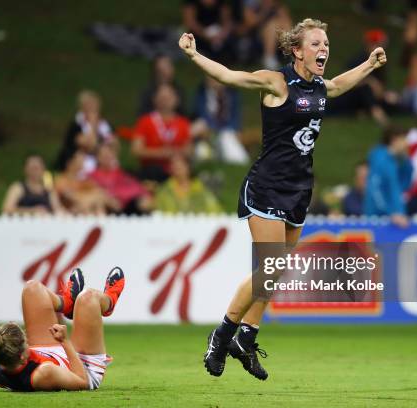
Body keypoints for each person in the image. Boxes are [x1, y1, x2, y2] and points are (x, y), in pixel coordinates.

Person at [179, 17, 388, 380]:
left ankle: (247, 337)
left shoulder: (321, 86)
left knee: (275, 275)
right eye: (316, 44)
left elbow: (339, 86)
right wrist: (195, 55)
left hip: (298, 190)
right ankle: (222, 335)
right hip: (267, 186)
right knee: (271, 268)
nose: (323, 49)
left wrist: (369, 64)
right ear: (297, 50)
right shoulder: (277, 82)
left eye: (325, 43)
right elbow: (231, 77)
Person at [0, 267, 126, 391]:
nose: (28, 341)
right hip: (80, 367)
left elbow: (7, 363)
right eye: (25, 342)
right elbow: (82, 381)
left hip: (47, 356)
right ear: (22, 357)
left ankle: (67, 303)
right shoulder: (44, 373)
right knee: (87, 298)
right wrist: (64, 341)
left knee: (31, 288)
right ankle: (109, 301)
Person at [132, 84, 192, 182]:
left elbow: (189, 150)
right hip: (152, 169)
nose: (165, 101)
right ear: (155, 100)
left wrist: (174, 153)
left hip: (176, 168)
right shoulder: (145, 121)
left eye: (169, 97)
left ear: (176, 99)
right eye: (162, 98)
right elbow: (136, 150)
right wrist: (161, 153)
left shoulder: (183, 123)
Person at [54, 90, 116, 172]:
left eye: (94, 105)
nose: (93, 108)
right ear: (82, 107)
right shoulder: (76, 126)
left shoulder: (104, 125)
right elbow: (90, 145)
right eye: (89, 105)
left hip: (101, 161)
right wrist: (93, 125)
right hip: (79, 162)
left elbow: (114, 145)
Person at [363, 126, 413, 226]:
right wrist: (390, 213)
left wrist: (405, 160)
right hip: (379, 219)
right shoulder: (379, 158)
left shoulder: (395, 161)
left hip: (396, 217)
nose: (407, 143)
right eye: (404, 139)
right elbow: (375, 188)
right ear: (394, 139)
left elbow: (404, 185)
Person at [193, 75, 248, 164]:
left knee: (226, 138)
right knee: (202, 148)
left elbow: (235, 116)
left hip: (228, 131)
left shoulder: (233, 94)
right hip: (207, 130)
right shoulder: (202, 94)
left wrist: (235, 129)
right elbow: (201, 114)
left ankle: (239, 162)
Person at [90, 142, 153, 215]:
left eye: (109, 154)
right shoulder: (92, 175)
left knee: (145, 203)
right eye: (103, 155)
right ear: (97, 157)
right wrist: (108, 197)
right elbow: (93, 190)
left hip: (126, 204)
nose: (107, 157)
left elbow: (138, 189)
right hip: (108, 207)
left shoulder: (121, 173)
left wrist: (145, 195)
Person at [155, 153, 222, 214]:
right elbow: (158, 212)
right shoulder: (164, 190)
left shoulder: (201, 189)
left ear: (188, 167)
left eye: (180, 167)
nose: (178, 170)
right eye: (175, 167)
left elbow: (215, 211)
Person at [55, 151, 119, 215]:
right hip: (70, 215)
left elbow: (102, 193)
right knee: (94, 202)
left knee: (98, 202)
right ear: (69, 162)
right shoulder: (61, 181)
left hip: (87, 211)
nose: (82, 162)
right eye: (79, 159)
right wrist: (92, 197)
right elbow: (71, 198)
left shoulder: (84, 180)